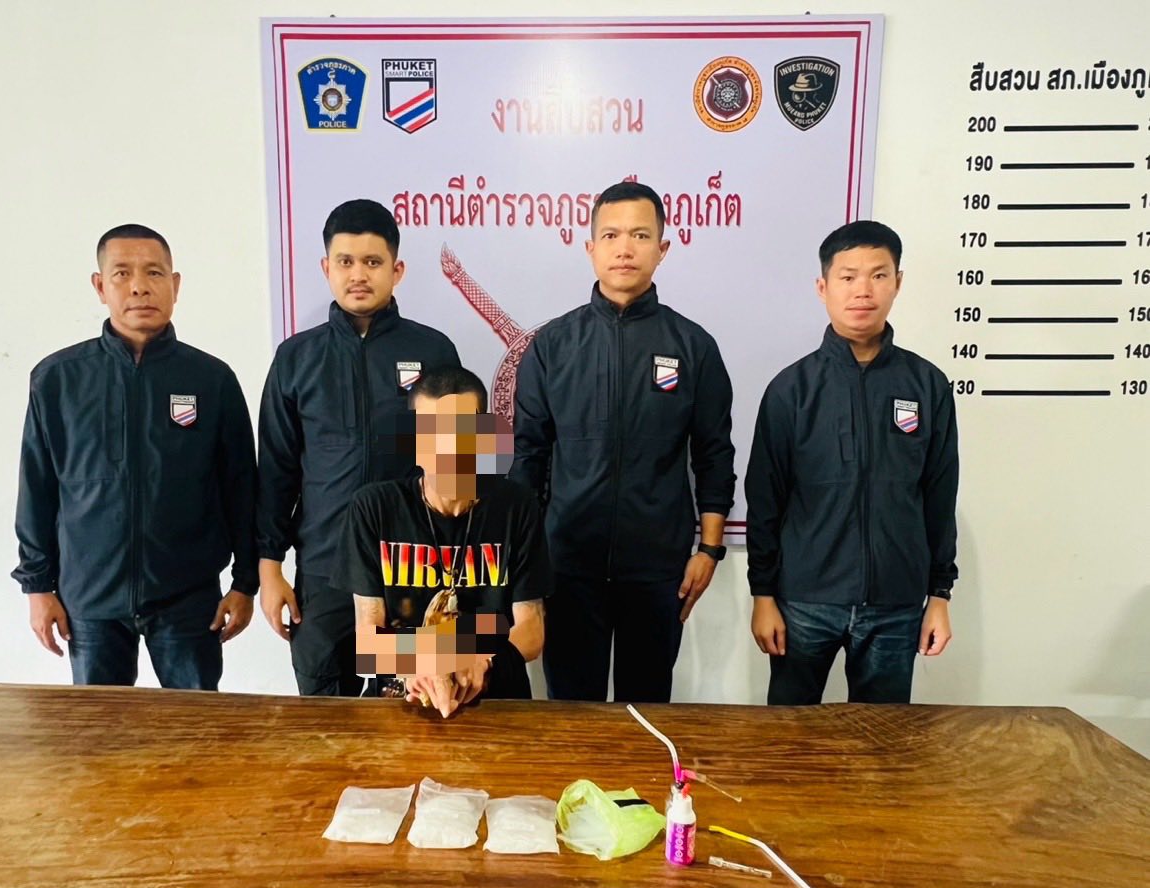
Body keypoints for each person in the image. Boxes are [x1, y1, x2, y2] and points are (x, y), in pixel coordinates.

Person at [510, 180, 736, 703]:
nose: (625, 248)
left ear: (663, 248)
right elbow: (529, 458)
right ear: (590, 248)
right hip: (567, 564)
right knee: (572, 710)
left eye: (640, 235)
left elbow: (714, 455)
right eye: (611, 235)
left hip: (657, 568)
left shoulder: (693, 346)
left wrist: (708, 549)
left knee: (648, 707)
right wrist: (523, 564)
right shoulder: (552, 345)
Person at [12, 224, 257, 689]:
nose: (140, 286)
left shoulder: (211, 379)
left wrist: (245, 583)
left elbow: (241, 488)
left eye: (154, 273)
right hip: (90, 600)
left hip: (188, 600)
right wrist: (37, 587)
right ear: (100, 286)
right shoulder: (58, 380)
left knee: (195, 725)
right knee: (101, 729)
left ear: (175, 285)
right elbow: (37, 489)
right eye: (122, 273)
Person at [745, 219, 959, 705]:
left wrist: (939, 596)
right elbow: (765, 501)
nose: (863, 290)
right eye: (848, 277)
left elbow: (939, 495)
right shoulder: (791, 390)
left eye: (878, 275)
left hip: (895, 604)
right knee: (791, 736)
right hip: (804, 601)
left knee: (880, 740)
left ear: (897, 283)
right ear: (823, 287)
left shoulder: (926, 385)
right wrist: (763, 595)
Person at [257, 199, 460, 696]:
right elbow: (276, 470)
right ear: (326, 268)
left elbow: (462, 464)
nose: (358, 275)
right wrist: (269, 568)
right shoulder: (296, 358)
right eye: (345, 262)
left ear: (397, 270)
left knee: (412, 708)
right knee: (325, 715)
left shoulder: (435, 351)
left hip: (412, 572)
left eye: (372, 262)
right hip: (325, 570)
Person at [338, 365, 550, 717]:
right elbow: (368, 635)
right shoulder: (374, 507)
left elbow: (531, 630)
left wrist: (477, 660)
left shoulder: (516, 506)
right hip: (401, 698)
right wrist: (425, 664)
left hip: (495, 698)